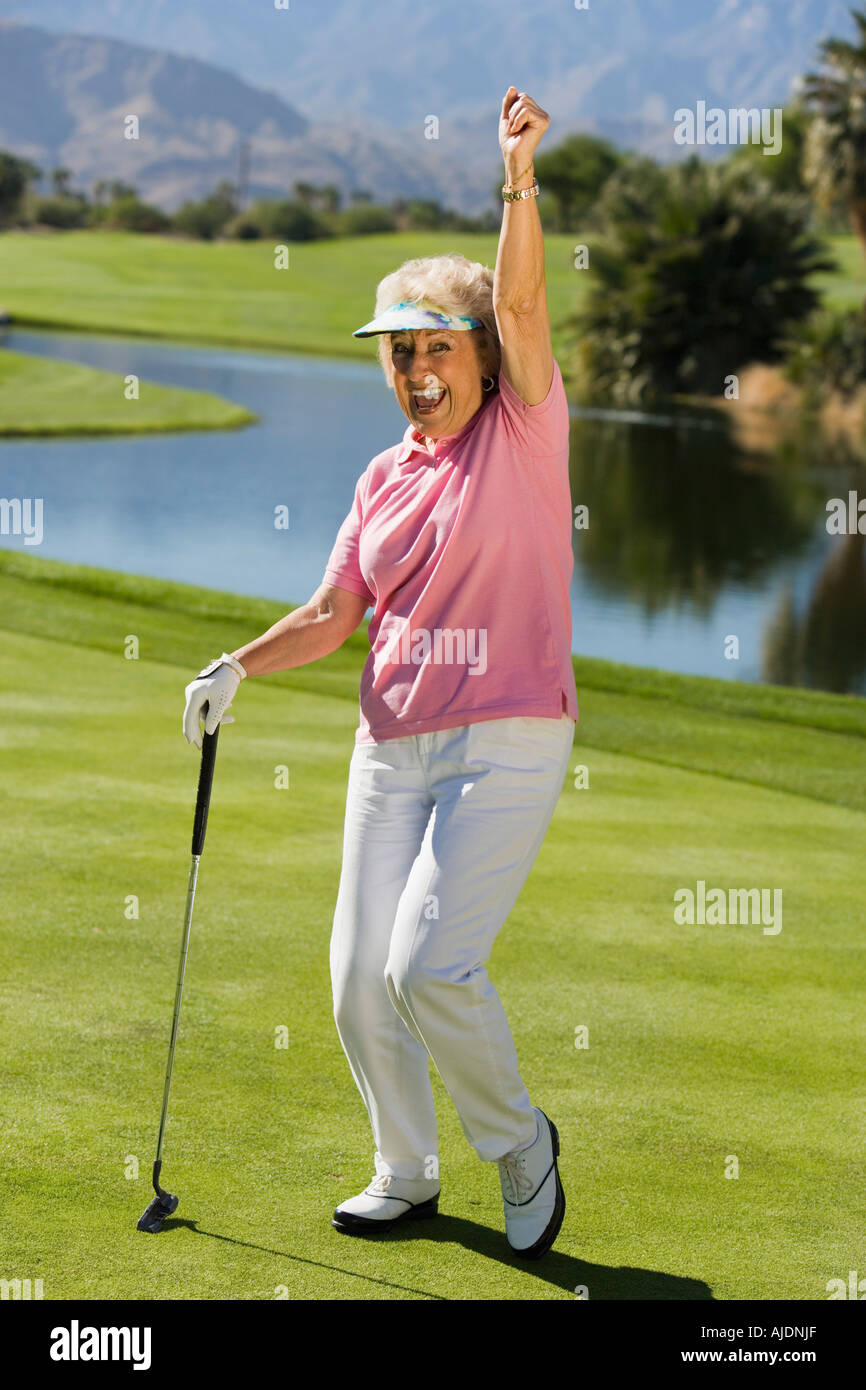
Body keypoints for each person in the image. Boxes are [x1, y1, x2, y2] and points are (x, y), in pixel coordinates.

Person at [182, 87, 579, 1259]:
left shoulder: (523, 425)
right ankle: (404, 1169)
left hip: (506, 735)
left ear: (480, 356)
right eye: (396, 350)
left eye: (434, 348)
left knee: (427, 965)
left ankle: (517, 1143)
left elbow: (518, 296)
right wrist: (235, 668)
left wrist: (515, 174)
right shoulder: (381, 475)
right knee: (359, 977)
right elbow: (332, 612)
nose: (412, 370)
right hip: (389, 745)